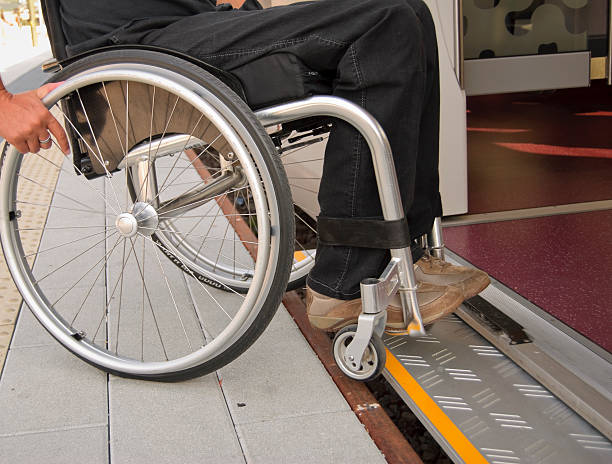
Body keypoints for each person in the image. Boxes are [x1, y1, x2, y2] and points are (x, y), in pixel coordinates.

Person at [0, 0, 489, 332]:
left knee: (411, 10)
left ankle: (413, 250)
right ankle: (346, 282)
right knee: (386, 21)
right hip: (134, 49)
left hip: (186, 27)